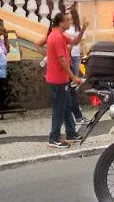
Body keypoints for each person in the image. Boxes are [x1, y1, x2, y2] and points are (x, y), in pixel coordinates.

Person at [45, 10, 84, 148]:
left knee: (66, 106)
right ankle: (54, 138)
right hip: (58, 80)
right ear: (61, 22)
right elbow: (62, 60)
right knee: (59, 109)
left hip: (61, 79)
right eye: (67, 20)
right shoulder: (57, 37)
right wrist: (73, 77)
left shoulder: (60, 35)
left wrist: (83, 29)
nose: (69, 22)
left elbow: (75, 41)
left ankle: (71, 133)